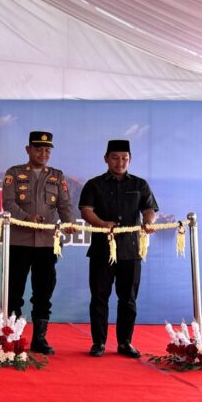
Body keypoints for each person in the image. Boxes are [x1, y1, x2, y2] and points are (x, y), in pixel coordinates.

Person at [79, 139, 158, 358]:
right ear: (106, 159)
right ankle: (98, 343)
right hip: (102, 250)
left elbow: (149, 209)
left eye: (124, 158)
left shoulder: (140, 184)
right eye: (115, 157)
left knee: (128, 299)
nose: (120, 162)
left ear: (130, 159)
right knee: (99, 298)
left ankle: (125, 342)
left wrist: (149, 222)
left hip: (131, 251)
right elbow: (86, 211)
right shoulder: (94, 184)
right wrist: (102, 224)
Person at [2, 131, 75, 355]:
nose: (43, 153)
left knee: (43, 293)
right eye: (38, 149)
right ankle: (12, 338)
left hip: (47, 244)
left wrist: (69, 223)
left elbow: (64, 205)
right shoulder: (14, 173)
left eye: (47, 150)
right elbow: (8, 203)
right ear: (28, 150)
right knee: (14, 293)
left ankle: (39, 339)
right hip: (19, 242)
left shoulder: (57, 176)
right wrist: (27, 218)